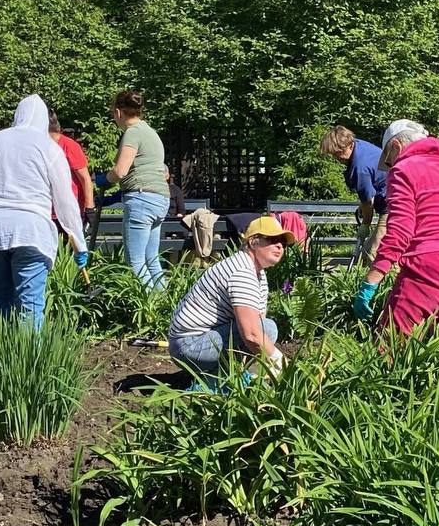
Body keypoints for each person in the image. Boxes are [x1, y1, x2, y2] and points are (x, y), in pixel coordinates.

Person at [0, 95, 88, 328]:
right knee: (30, 306)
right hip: (31, 230)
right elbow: (65, 199)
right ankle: (30, 362)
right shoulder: (49, 147)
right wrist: (79, 242)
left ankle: (1, 358)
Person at [352, 120, 439, 334]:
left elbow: (400, 232)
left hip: (428, 270)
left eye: (388, 160)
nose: (390, 167)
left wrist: (371, 282)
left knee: (390, 348)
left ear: (396, 146)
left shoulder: (404, 169)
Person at [167, 215, 292, 386]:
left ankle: (233, 374)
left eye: (282, 243)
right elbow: (252, 334)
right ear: (253, 242)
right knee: (266, 330)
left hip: (199, 340)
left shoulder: (257, 273)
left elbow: (258, 321)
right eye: (272, 240)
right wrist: (283, 365)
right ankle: (214, 383)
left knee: (267, 328)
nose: (279, 246)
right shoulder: (241, 271)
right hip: (189, 345)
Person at [101, 89, 168, 288]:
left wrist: (103, 180)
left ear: (119, 112)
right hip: (160, 200)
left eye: (114, 115)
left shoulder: (133, 133)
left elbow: (120, 171)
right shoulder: (151, 132)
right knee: (151, 260)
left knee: (135, 262)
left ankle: (148, 309)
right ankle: (165, 306)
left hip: (141, 200)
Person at [320, 126, 388, 265]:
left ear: (349, 144)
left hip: (394, 206)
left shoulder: (360, 168)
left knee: (372, 252)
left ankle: (382, 285)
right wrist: (362, 205)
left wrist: (365, 225)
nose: (337, 157)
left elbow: (368, 202)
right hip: (388, 200)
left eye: (339, 152)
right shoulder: (359, 145)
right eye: (333, 153)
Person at [49, 111, 94, 218]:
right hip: (48, 210)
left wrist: (89, 208)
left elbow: (85, 178)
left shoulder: (69, 146)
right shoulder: (40, 145)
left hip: (70, 210)